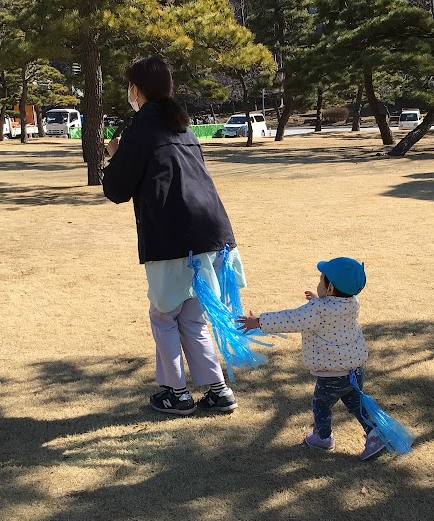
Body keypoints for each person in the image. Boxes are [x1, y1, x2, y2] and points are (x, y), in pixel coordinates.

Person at [103, 57, 242, 417]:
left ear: (137, 89)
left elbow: (116, 189)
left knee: (164, 314)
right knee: (193, 315)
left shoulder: (143, 128)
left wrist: (114, 156)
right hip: (210, 232)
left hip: (171, 237)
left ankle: (176, 393)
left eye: (129, 86)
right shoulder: (182, 126)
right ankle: (218, 390)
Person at [237, 257, 386, 460]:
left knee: (321, 405)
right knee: (355, 402)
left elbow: (290, 319)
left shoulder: (316, 310)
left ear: (330, 288)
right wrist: (319, 299)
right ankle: (375, 434)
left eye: (321, 279)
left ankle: (323, 438)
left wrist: (258, 321)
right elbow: (332, 310)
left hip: (331, 375)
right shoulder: (352, 303)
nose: (318, 283)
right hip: (355, 370)